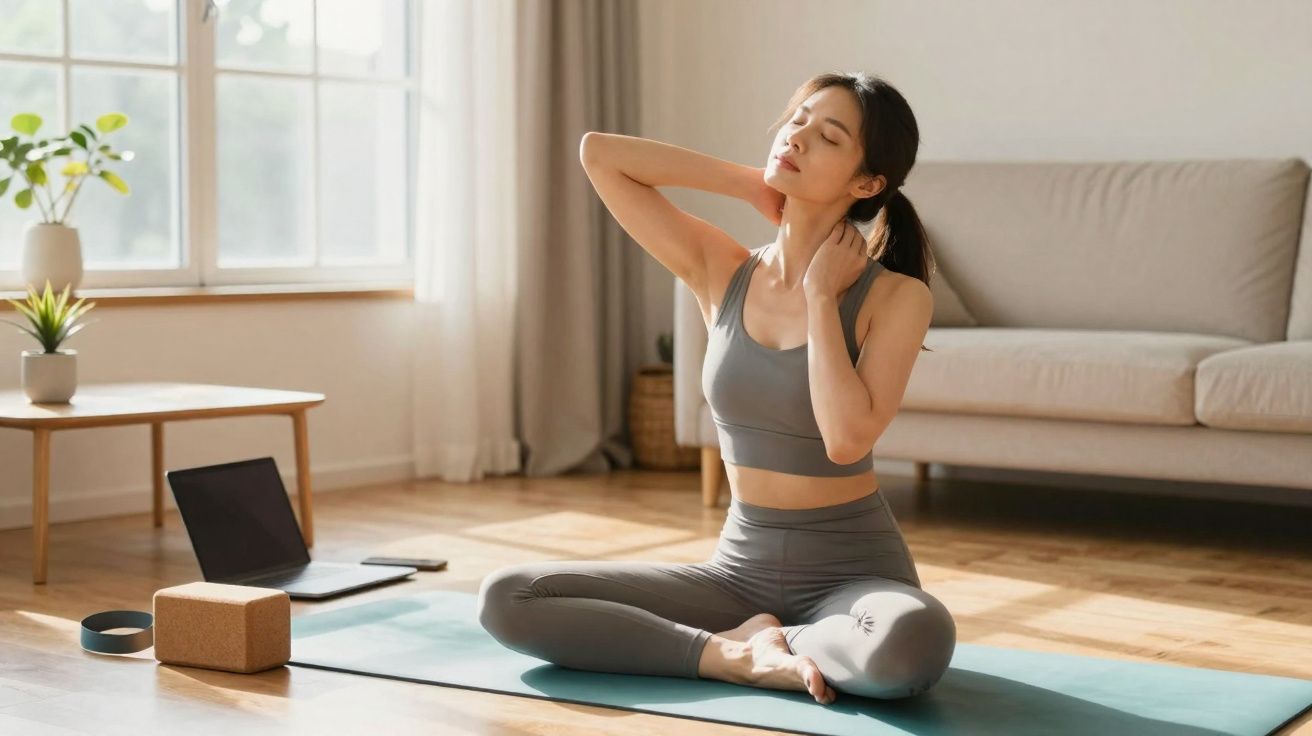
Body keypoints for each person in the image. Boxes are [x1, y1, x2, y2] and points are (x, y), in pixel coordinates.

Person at [478, 71, 953, 705]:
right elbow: (600, 154)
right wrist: (753, 183)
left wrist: (818, 296)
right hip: (736, 573)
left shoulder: (896, 296)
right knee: (509, 598)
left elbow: (845, 441)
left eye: (828, 136)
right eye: (797, 121)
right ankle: (734, 653)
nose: (797, 137)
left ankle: (788, 637)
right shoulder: (721, 269)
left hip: (852, 573)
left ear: (867, 184)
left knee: (911, 642)